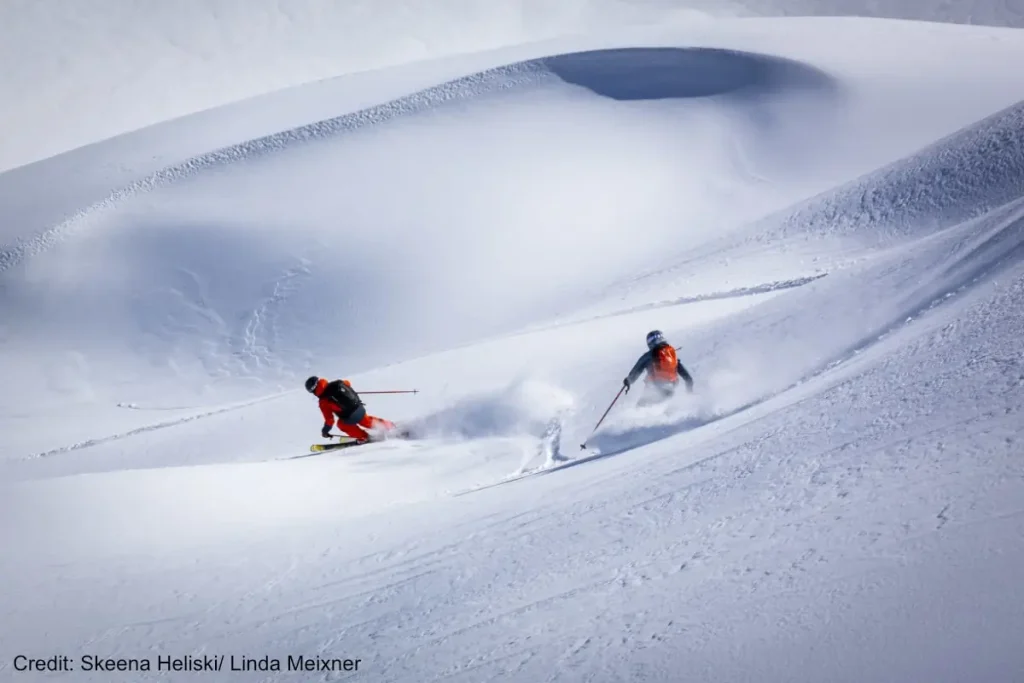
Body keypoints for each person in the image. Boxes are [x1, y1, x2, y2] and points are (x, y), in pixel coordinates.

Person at [305, 376, 397, 442]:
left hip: (349, 416)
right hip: (359, 407)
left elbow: (329, 420)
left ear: (313, 390)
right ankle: (389, 425)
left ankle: (364, 437)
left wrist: (325, 431)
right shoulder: (337, 383)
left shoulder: (323, 402)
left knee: (341, 424)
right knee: (366, 421)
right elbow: (348, 383)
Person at [623, 330, 694, 406]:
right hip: (671, 390)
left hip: (654, 391)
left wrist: (628, 380)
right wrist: (689, 393)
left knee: (640, 407)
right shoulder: (671, 354)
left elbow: (637, 369)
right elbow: (688, 378)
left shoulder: (649, 355)